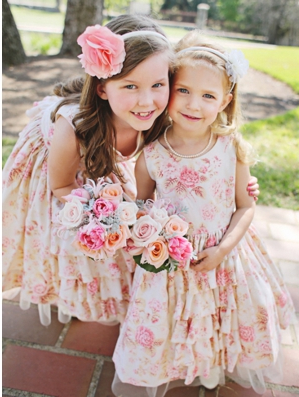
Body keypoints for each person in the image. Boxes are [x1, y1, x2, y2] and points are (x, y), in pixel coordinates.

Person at [2, 15, 259, 326]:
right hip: (58, 174)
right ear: (102, 89)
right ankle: (68, 290)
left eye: (158, 85)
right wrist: (105, 214)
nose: (146, 100)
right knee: (68, 243)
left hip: (101, 169)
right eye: (130, 86)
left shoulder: (165, 112)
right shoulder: (72, 128)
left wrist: (231, 176)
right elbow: (60, 187)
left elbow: (197, 156)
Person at [112, 32, 295, 396]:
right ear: (168, 91)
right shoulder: (151, 155)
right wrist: (137, 232)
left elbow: (245, 205)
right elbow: (142, 207)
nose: (194, 105)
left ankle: (210, 368)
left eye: (208, 96)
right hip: (170, 264)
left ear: (225, 101)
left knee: (219, 317)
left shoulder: (231, 147)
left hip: (223, 254)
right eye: (183, 91)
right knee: (170, 320)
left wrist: (224, 249)